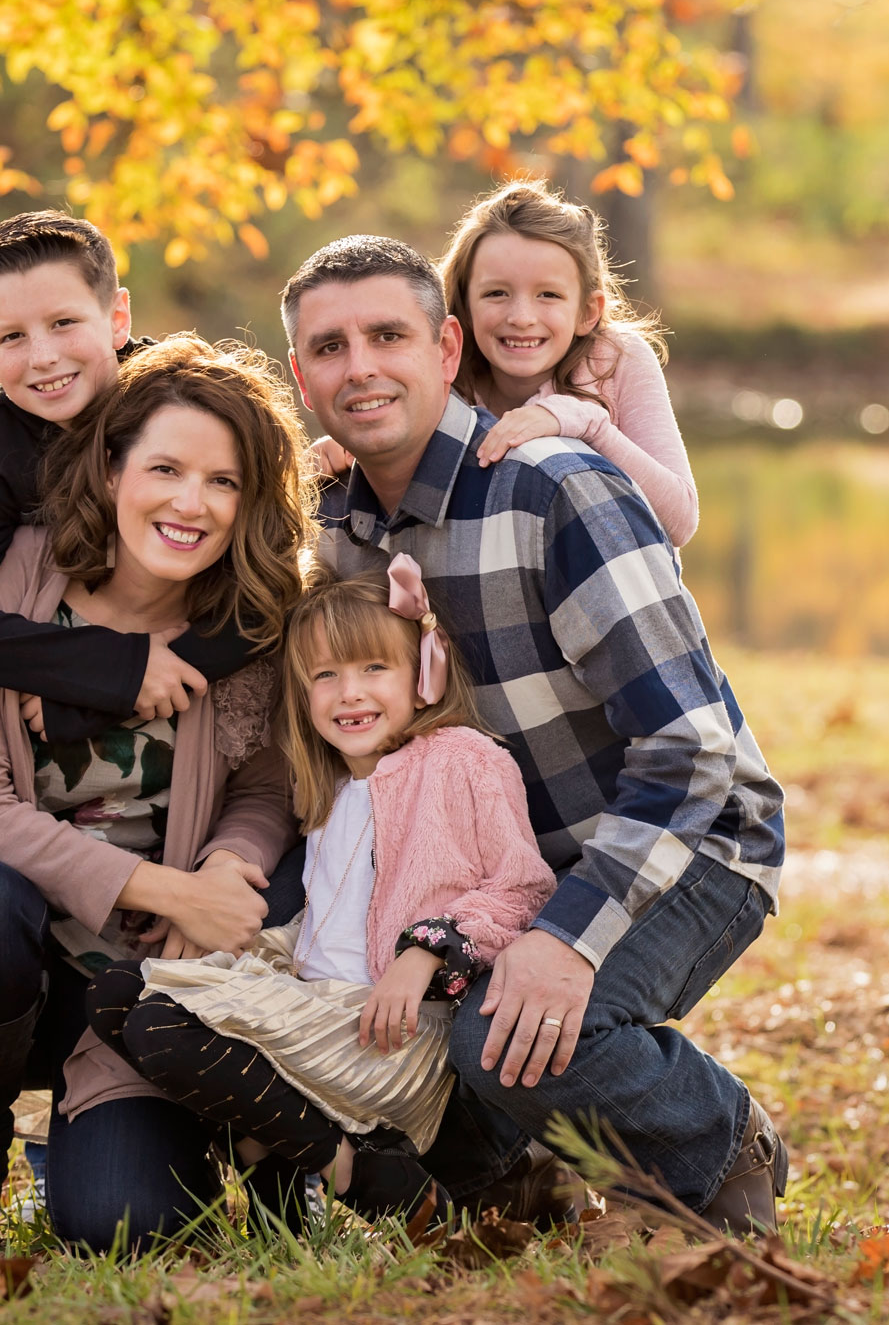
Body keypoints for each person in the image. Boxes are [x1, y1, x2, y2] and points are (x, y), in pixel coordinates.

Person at [278, 235, 790, 1232]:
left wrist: (564, 939)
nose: (361, 366)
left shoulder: (556, 489)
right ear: (301, 376)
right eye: (330, 348)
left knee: (503, 1036)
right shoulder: (335, 526)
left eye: (388, 334)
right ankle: (524, 1157)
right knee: (420, 1123)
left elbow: (689, 755)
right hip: (498, 872)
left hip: (686, 842)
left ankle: (721, 1137)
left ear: (446, 345)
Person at [0, 338, 310, 1252]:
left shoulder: (247, 613)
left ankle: (129, 1124)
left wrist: (227, 864)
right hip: (2, 959)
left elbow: (266, 785)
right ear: (110, 469)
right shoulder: (0, 595)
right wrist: (165, 890)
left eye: (222, 481)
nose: (191, 502)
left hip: (144, 985)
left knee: (126, 1226)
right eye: (166, 468)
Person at [83, 563, 556, 1224]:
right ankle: (279, 1196)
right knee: (115, 993)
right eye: (325, 675)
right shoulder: (331, 786)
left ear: (424, 672)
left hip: (389, 1032)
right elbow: (321, 927)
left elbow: (520, 889)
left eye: (373, 668)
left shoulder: (464, 759)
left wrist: (425, 951)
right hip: (314, 1009)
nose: (348, 693)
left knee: (159, 1027)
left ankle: (362, 1173)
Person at [0, 210, 257, 753]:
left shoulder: (190, 400)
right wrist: (108, 669)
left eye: (64, 323)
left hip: (220, 742)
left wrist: (98, 697)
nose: (44, 357)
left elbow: (275, 582)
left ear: (117, 317)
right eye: (13, 337)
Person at [313, 183, 700, 547]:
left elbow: (680, 522)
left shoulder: (617, 360)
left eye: (548, 294)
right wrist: (350, 445)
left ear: (587, 311)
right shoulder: (447, 373)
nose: (521, 316)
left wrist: (586, 422)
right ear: (463, 304)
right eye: (496, 293)